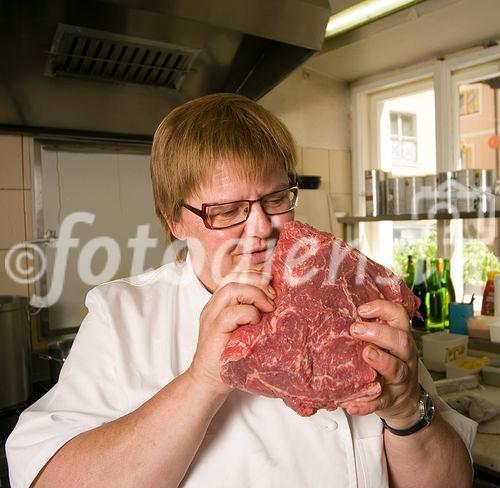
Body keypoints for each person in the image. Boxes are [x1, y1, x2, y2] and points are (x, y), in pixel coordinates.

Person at [7, 93, 477, 488]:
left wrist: (404, 409)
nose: (261, 229)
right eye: (227, 210)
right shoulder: (124, 316)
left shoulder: (348, 295)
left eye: (275, 200)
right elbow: (47, 479)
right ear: (174, 220)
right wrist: (201, 382)